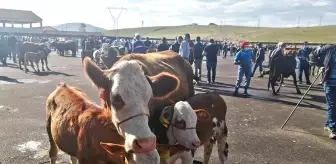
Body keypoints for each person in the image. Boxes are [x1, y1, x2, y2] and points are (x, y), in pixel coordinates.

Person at [317, 44, 336, 139]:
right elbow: (313, 55)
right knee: (332, 105)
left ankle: (328, 124)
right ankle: (333, 129)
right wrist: (320, 65)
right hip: (330, 82)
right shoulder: (330, 48)